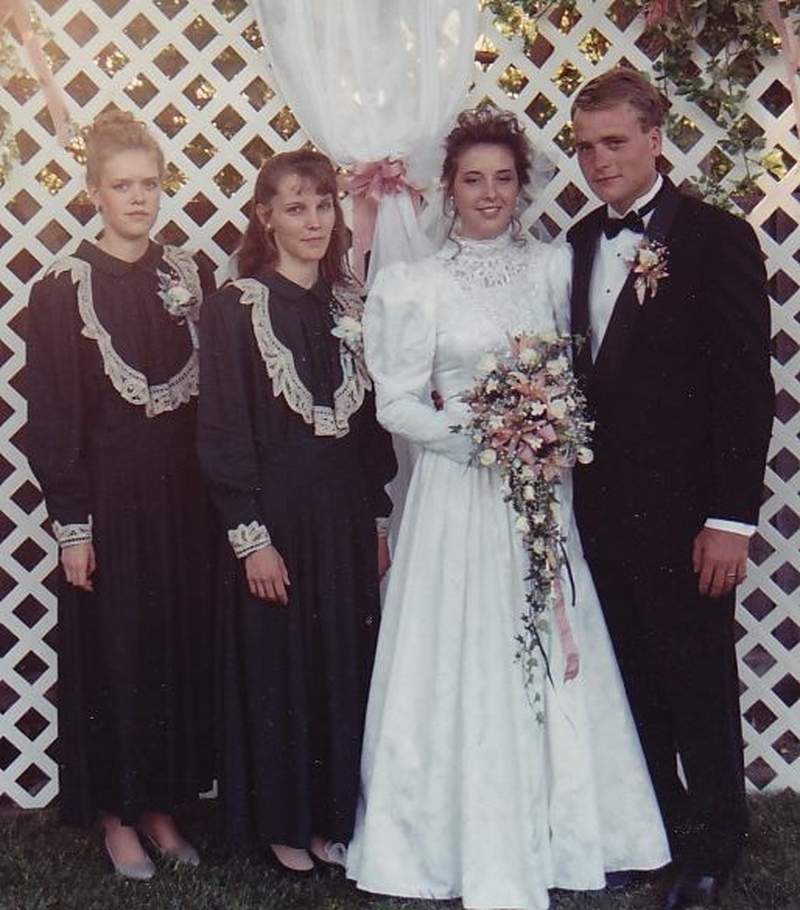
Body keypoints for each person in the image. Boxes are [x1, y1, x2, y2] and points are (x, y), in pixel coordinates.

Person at [346, 107, 670, 910]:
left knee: (552, 638)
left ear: (522, 186)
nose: (488, 194)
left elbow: (577, 373)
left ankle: (573, 834)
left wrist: (542, 429)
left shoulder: (555, 268)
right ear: (449, 191)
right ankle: (447, 840)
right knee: (462, 648)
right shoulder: (416, 284)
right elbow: (396, 403)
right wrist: (484, 437)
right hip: (458, 494)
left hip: (542, 494)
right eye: (472, 180)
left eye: (502, 178)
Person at [568, 68, 775, 910]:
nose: (599, 160)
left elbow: (746, 391)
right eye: (585, 147)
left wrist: (729, 521)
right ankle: (657, 833)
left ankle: (715, 845)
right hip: (598, 515)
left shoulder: (717, 239)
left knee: (696, 683)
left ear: (655, 140)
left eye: (615, 142)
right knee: (632, 687)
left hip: (688, 520)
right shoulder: (576, 243)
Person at [25, 110, 216, 880]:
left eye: (150, 184)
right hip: (110, 503)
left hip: (180, 502)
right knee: (116, 654)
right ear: (94, 191)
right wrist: (73, 524)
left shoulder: (185, 276)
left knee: (173, 645)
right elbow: (52, 416)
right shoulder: (62, 288)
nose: (138, 199)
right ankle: (116, 814)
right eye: (122, 186)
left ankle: (162, 804)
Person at [197, 150, 397, 875]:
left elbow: (371, 429)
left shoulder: (349, 303)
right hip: (275, 520)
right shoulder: (235, 307)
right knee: (278, 666)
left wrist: (376, 518)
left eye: (322, 205)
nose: (313, 221)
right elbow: (223, 429)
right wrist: (251, 538)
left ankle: (330, 818)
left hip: (342, 517)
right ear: (265, 218)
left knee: (340, 662)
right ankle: (282, 821)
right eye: (294, 208)